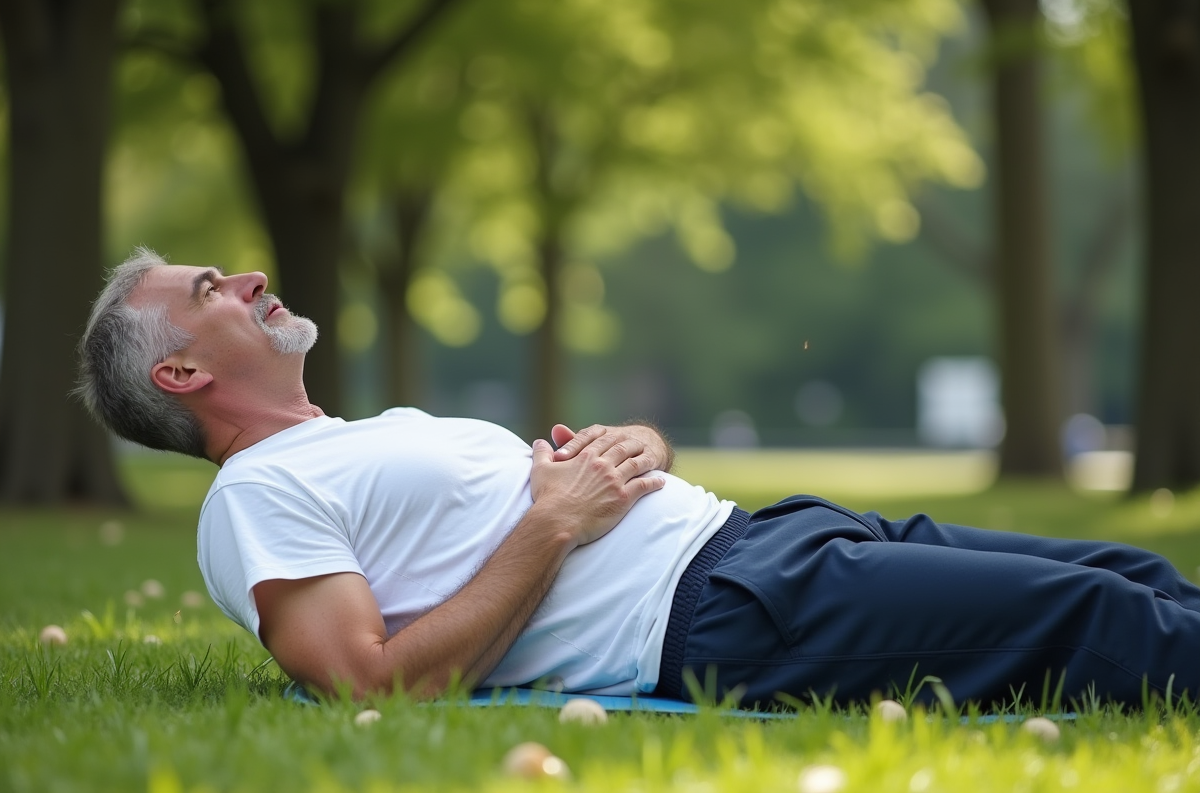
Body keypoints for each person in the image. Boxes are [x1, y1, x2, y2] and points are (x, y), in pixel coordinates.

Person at [77, 248, 1200, 710]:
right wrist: (555, 520)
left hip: (766, 538)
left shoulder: (339, 437)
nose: (252, 275)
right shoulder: (254, 499)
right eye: (213, 284)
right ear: (180, 370)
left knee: (1125, 565)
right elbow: (367, 686)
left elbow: (542, 509)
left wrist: (620, 458)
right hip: (731, 613)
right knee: (1097, 616)